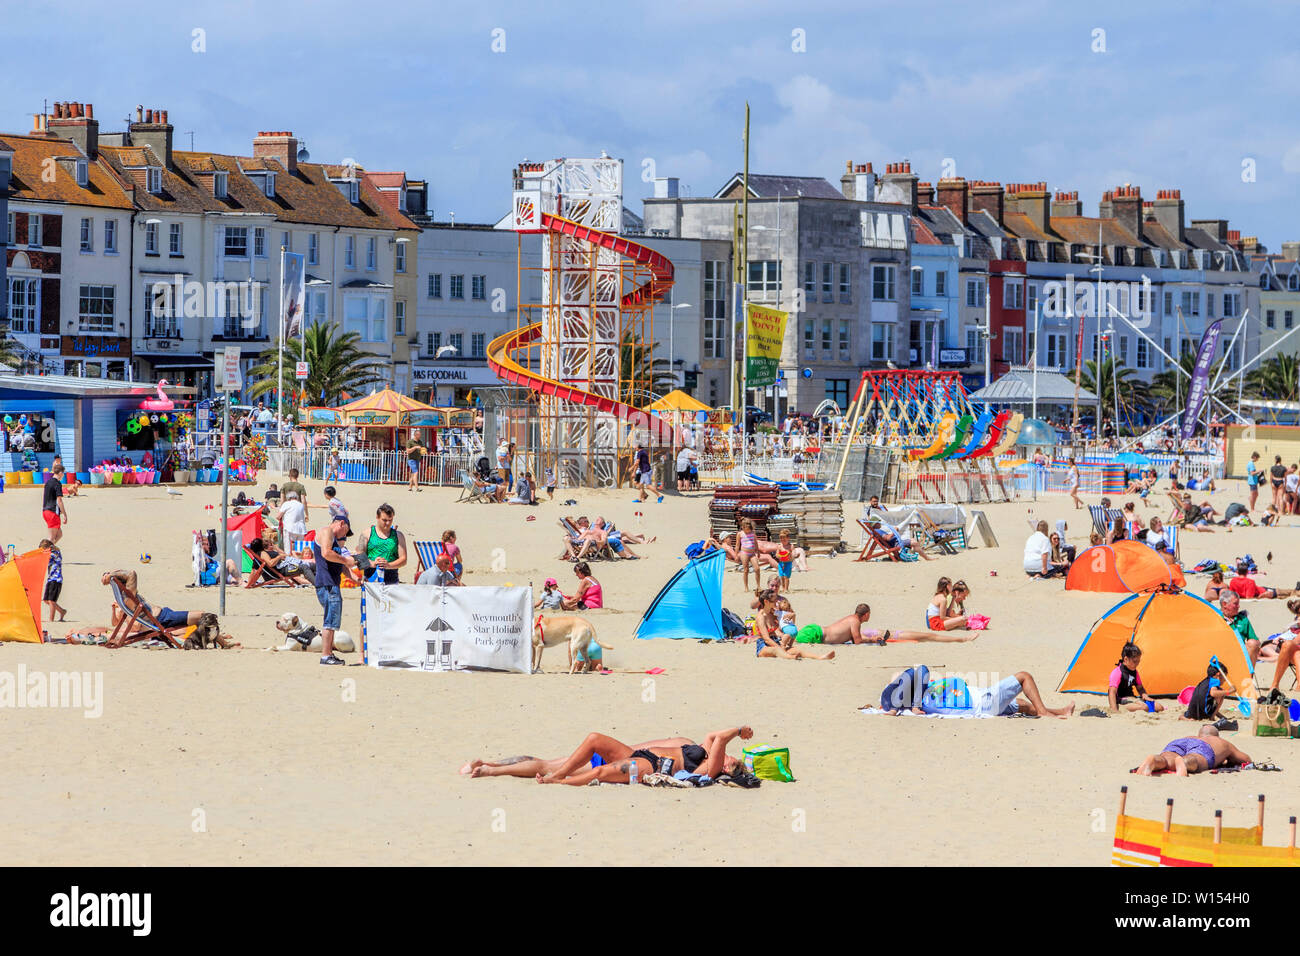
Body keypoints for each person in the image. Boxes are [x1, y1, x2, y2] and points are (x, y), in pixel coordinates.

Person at [532, 725, 754, 785]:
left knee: (598, 771)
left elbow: (721, 740)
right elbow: (712, 735)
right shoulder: (705, 754)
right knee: (594, 738)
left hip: (647, 765)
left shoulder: (711, 769)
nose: (729, 756)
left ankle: (557, 780)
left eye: (731, 759)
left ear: (727, 768)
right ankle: (558, 775)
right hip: (640, 754)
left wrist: (739, 732)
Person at [922, 670, 1074, 718]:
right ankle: (1043, 713)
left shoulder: (928, 692)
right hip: (984, 702)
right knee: (1024, 677)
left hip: (982, 701)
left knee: (1021, 704)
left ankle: (1061, 711)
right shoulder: (923, 702)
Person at [311, 513, 358, 666]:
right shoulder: (327, 531)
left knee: (332, 619)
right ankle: (325, 655)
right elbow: (326, 553)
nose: (345, 536)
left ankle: (329, 653)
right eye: (346, 532)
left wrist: (357, 579)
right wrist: (346, 559)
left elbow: (341, 566)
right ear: (342, 524)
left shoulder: (334, 541)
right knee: (330, 620)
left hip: (330, 583)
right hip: (327, 583)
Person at [816, 602, 975, 646]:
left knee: (928, 636)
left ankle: (961, 639)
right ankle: (961, 639)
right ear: (866, 614)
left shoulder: (851, 621)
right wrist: (873, 640)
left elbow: (854, 638)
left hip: (891, 632)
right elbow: (857, 640)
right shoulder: (854, 623)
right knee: (928, 636)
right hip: (894, 635)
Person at [102, 569, 208, 632]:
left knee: (201, 620)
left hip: (165, 615)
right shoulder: (128, 598)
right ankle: (222, 642)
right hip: (163, 620)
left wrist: (111, 574)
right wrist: (111, 575)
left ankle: (220, 639)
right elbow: (131, 573)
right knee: (204, 616)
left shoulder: (123, 597)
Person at [1136, 725, 1250, 776]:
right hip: (1203, 747)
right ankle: (1183, 763)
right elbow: (1246, 759)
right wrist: (1226, 757)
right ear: (1217, 736)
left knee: (1167, 760)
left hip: (1179, 742)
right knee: (1195, 758)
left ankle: (1154, 760)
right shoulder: (1220, 742)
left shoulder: (1190, 737)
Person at [752, 589, 834, 659]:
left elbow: (780, 628)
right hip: (763, 646)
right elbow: (766, 639)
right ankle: (791, 657)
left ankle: (820, 657)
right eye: (774, 601)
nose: (776, 603)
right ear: (766, 602)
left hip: (775, 642)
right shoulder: (761, 617)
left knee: (797, 649)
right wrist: (780, 647)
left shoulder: (772, 613)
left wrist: (791, 616)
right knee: (776, 650)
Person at [1260, 598, 1300, 703]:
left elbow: (1295, 641)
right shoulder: (1295, 625)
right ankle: (1276, 684)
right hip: (1293, 650)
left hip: (1293, 650)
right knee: (1291, 649)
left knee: (1294, 651)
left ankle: (1276, 684)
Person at [1108, 643, 1164, 712]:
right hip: (1121, 700)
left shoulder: (1135, 672)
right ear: (1125, 659)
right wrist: (1114, 709)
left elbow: (1140, 688)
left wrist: (1145, 696)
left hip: (1132, 699)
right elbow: (1111, 692)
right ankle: (1121, 708)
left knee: (1159, 707)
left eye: (1138, 661)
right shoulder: (1117, 672)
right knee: (1144, 707)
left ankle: (1143, 707)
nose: (1137, 664)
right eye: (1135, 661)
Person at [364, 504, 408, 584]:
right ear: (377, 517)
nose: (387, 523)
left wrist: (388, 565)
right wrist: (373, 563)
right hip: (370, 580)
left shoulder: (399, 536)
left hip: (391, 580)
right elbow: (359, 558)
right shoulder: (367, 533)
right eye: (384, 520)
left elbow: (404, 560)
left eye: (390, 520)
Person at [247, 537, 314, 583]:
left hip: (285, 567)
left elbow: (254, 571)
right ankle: (317, 583)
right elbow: (270, 563)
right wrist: (279, 556)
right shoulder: (262, 553)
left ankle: (319, 580)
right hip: (282, 570)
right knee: (305, 567)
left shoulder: (260, 555)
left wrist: (249, 583)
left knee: (312, 566)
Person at [1219, 590, 1261, 664]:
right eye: (1235, 603)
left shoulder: (1243, 619)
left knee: (1252, 643)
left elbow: (1255, 640)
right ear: (1224, 604)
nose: (1239, 606)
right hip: (1221, 654)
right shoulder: (1216, 618)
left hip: (1240, 654)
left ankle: (1249, 674)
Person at [1228, 562, 1296, 601]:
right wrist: (1262, 596)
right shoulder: (1249, 582)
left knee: (1285, 593)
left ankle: (1296, 591)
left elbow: (1232, 595)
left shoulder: (1232, 581)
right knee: (1283, 592)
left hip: (1261, 589)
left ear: (1237, 572)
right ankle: (1297, 591)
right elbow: (1249, 597)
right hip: (1263, 591)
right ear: (1247, 572)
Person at [39, 538, 66, 622]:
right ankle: (62, 611)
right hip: (50, 579)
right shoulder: (50, 554)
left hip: (56, 579)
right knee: (46, 600)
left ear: (48, 548)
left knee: (51, 601)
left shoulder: (54, 554)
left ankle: (51, 619)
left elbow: (45, 559)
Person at [42, 463, 69, 545]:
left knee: (59, 534)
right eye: (63, 473)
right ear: (60, 473)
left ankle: (49, 550)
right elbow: (59, 500)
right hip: (52, 512)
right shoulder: (57, 484)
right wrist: (65, 514)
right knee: (51, 537)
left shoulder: (48, 482)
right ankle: (44, 552)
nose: (63, 475)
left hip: (46, 511)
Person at [276, 490, 308, 555]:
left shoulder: (286, 504)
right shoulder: (301, 505)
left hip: (289, 527)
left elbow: (278, 516)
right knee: (299, 548)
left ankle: (288, 559)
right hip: (301, 528)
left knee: (288, 546)